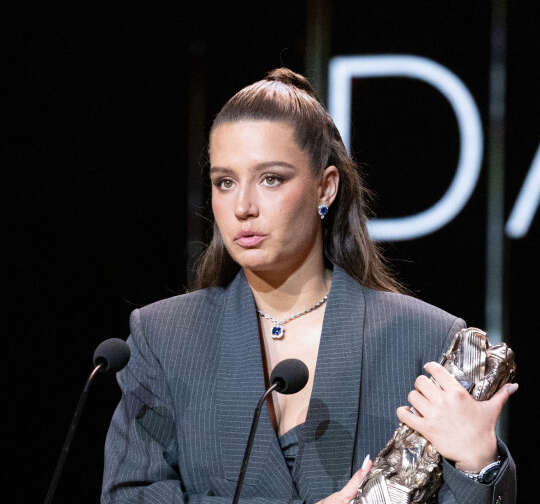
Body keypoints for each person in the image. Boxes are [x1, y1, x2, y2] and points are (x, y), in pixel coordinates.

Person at [101, 68, 517, 503]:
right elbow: (128, 496)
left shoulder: (424, 339)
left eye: (271, 179)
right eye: (225, 182)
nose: (242, 207)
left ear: (325, 188)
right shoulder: (164, 338)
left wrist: (478, 464)